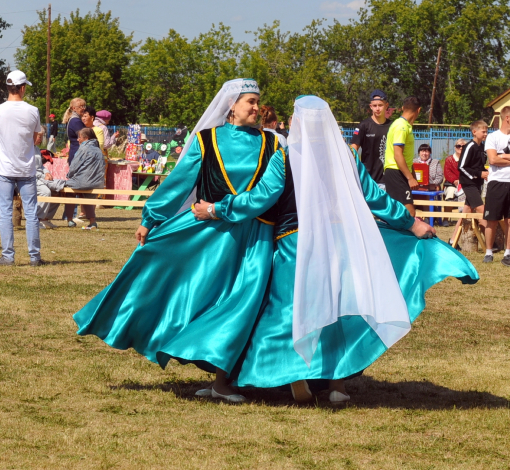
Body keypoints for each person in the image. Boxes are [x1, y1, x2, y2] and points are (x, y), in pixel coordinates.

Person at [192, 95, 478, 404]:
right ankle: (337, 385)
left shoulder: (285, 157)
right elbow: (375, 198)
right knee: (338, 309)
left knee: (285, 310)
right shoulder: (346, 157)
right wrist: (412, 224)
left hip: (293, 243)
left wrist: (216, 208)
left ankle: (294, 373)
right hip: (337, 242)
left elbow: (259, 199)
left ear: (298, 121)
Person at [74, 79, 282, 403]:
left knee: (242, 303)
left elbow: (274, 191)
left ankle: (224, 381)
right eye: (250, 102)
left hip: (255, 237)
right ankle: (216, 375)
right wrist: (150, 218)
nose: (256, 108)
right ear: (231, 105)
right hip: (209, 237)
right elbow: (179, 183)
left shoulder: (271, 144)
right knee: (200, 298)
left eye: (257, 102)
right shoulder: (206, 140)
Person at [0, 70, 46, 266]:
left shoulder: (0, 109)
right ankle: (34, 257)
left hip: (4, 168)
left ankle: (8, 256)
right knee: (31, 213)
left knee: (4, 212)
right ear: (22, 88)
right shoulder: (32, 110)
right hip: (26, 169)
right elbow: (37, 138)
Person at [453, 120, 489, 258]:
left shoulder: (482, 147)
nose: (485, 134)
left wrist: (484, 172)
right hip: (468, 184)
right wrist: (478, 174)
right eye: (483, 131)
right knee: (483, 210)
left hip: (477, 183)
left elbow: (479, 165)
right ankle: (491, 242)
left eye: (486, 131)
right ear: (474, 132)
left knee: (466, 212)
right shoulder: (469, 146)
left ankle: (452, 241)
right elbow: (461, 167)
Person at [384, 96, 421, 216]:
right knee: (409, 213)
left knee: (398, 213)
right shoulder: (402, 127)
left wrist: (412, 174)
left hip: (399, 171)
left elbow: (405, 155)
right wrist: (410, 178)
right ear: (418, 110)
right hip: (396, 171)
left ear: (402, 108)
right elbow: (398, 155)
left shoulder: (402, 125)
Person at [483, 106, 510, 265]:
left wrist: (503, 156)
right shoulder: (493, 137)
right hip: (496, 182)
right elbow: (492, 160)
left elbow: (498, 158)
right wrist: (501, 157)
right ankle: (488, 252)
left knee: (509, 220)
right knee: (491, 219)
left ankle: (508, 253)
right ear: (507, 118)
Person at [63, 128, 105, 230]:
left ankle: (69, 219)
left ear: (86, 138)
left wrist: (69, 175)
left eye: (79, 137)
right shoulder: (98, 150)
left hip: (83, 182)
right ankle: (92, 221)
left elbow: (74, 165)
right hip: (97, 183)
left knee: (70, 191)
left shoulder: (83, 148)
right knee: (86, 195)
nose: (78, 139)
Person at [351, 89, 391, 188]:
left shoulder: (392, 126)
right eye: (375, 105)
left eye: (380, 105)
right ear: (371, 107)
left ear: (386, 105)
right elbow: (353, 149)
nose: (377, 108)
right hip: (367, 179)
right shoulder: (364, 126)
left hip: (388, 179)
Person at [34, 131, 60, 229]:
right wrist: (42, 176)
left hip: (40, 176)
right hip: (31, 178)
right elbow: (28, 169)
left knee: (58, 191)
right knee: (46, 192)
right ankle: (38, 220)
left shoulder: (36, 149)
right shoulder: (26, 149)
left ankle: (46, 218)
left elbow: (40, 166)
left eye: (41, 137)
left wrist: (47, 172)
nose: (40, 139)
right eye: (38, 136)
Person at [444, 139, 467, 236]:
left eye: (463, 146)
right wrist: (455, 181)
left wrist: (462, 182)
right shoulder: (449, 159)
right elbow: (447, 173)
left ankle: (462, 218)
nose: (460, 148)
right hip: (452, 183)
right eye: (458, 146)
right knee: (450, 192)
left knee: (465, 194)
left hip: (465, 184)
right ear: (455, 147)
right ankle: (446, 218)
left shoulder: (468, 159)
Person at [62, 98, 86, 164]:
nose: (83, 108)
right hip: (78, 154)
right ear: (74, 108)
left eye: (84, 106)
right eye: (81, 106)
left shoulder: (73, 119)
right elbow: (85, 138)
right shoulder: (76, 121)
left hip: (75, 152)